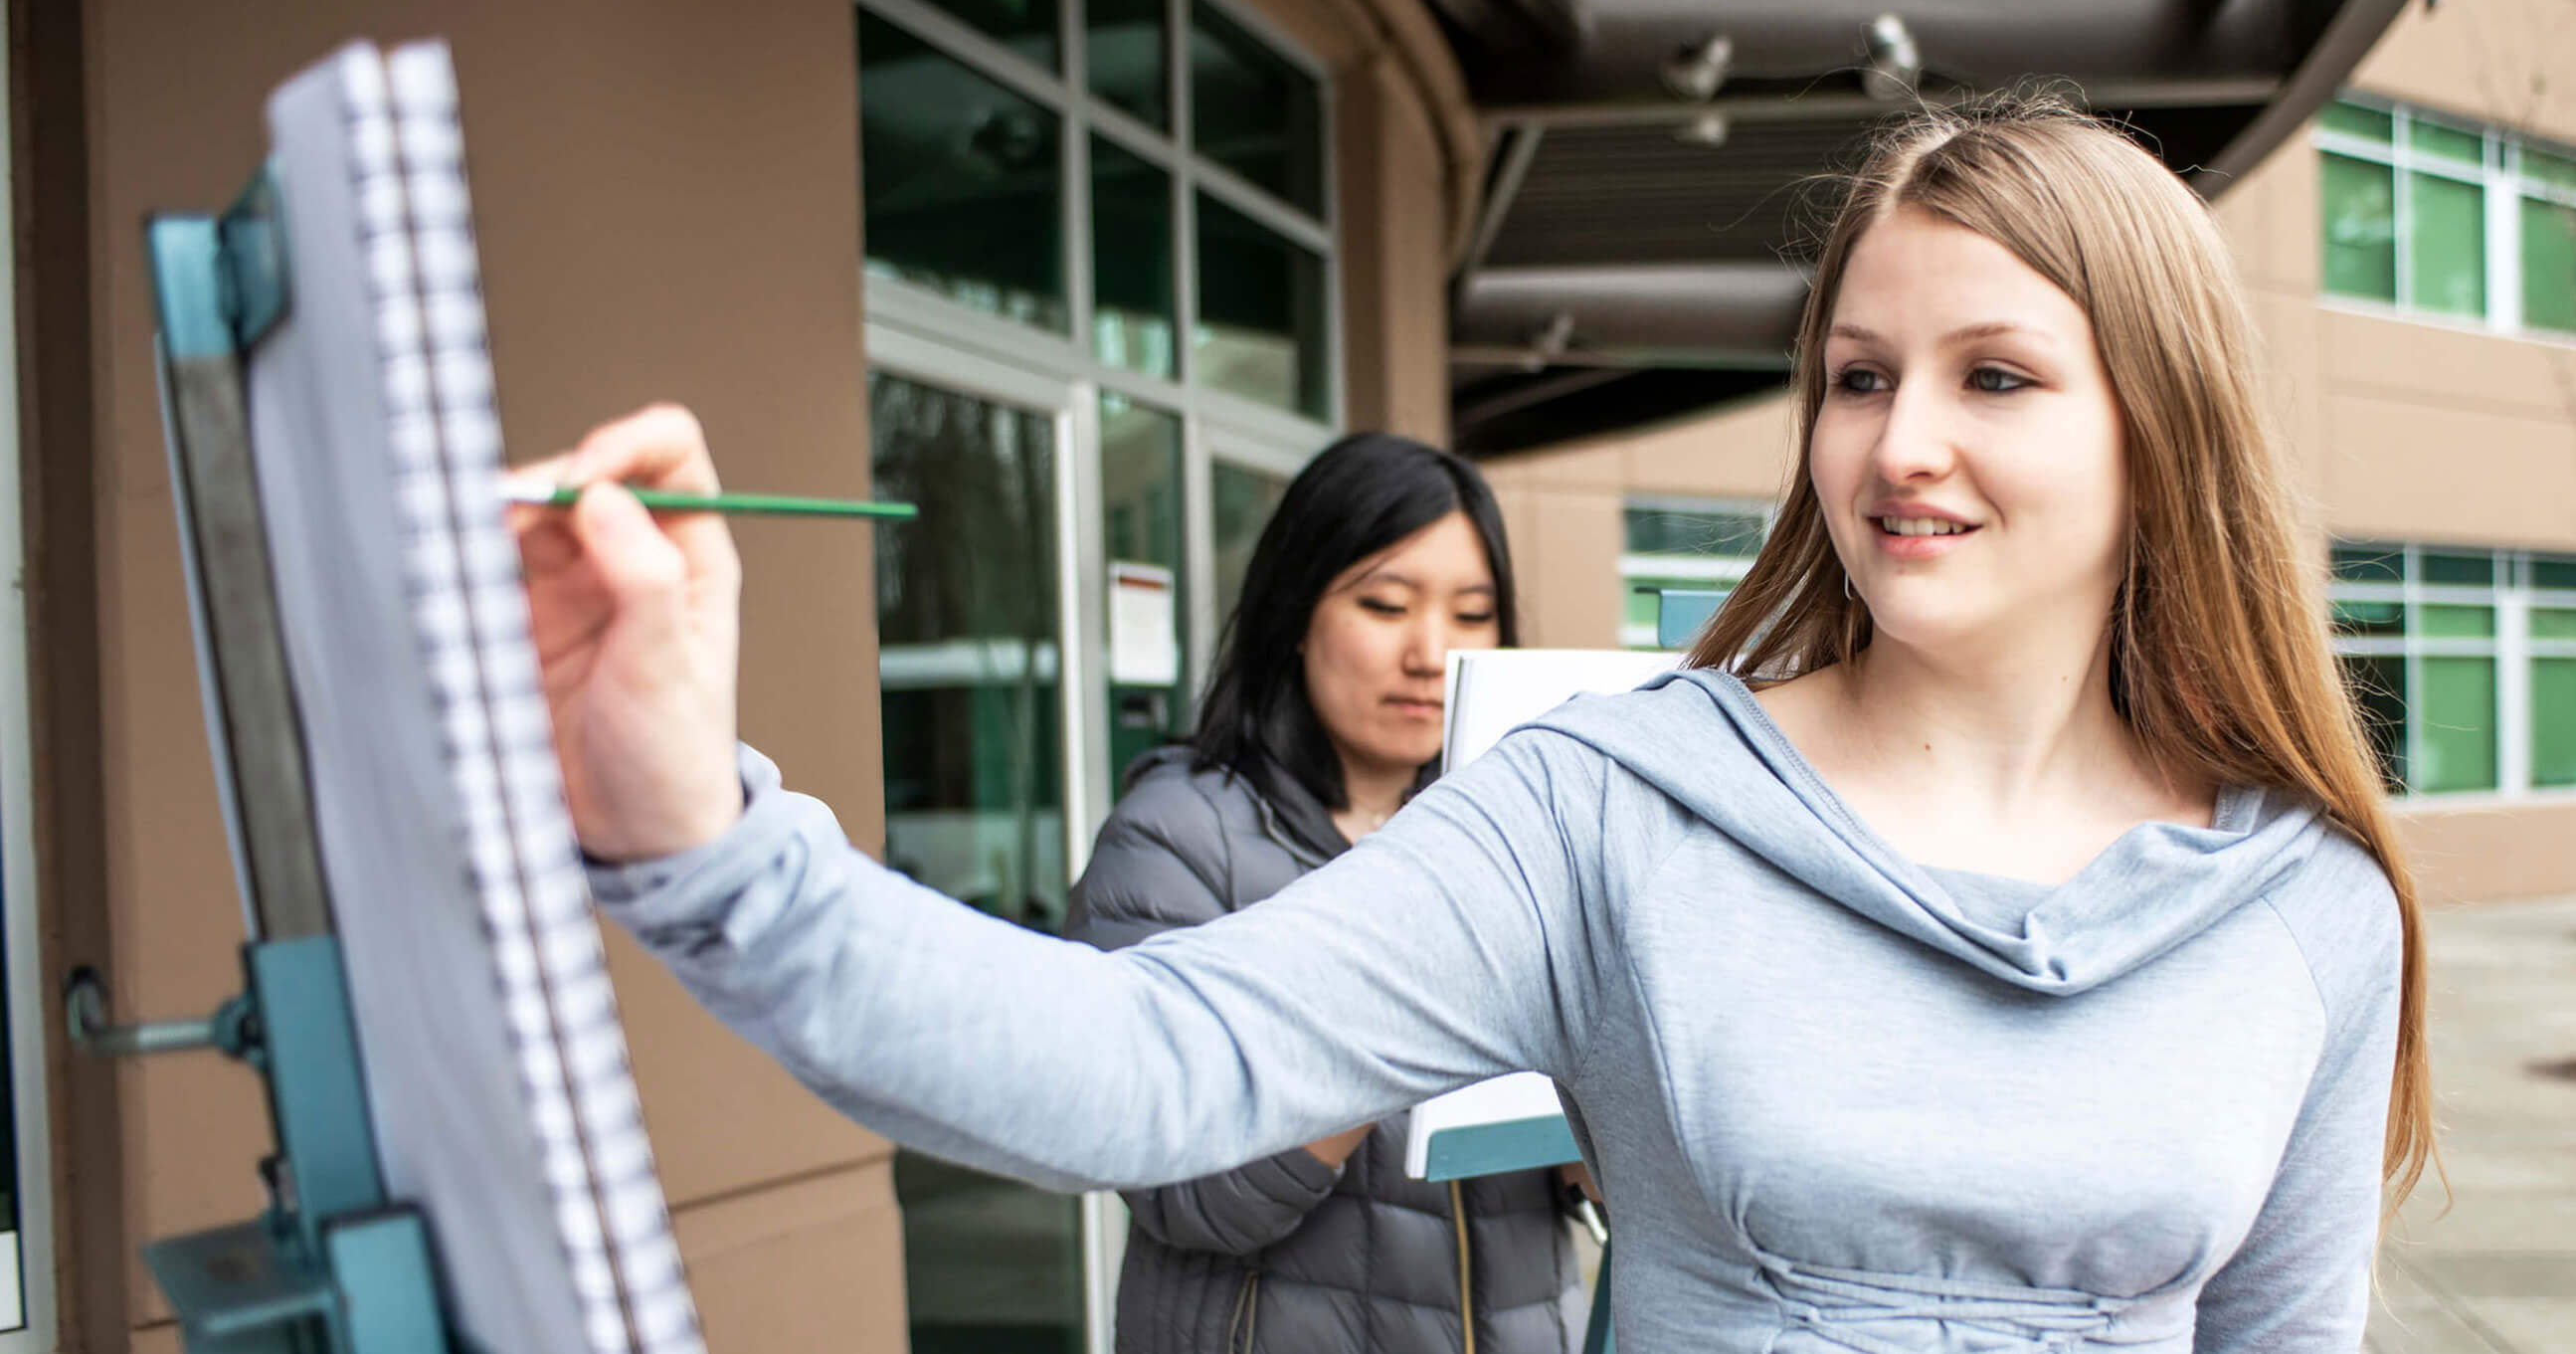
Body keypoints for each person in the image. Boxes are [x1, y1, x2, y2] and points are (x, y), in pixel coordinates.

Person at [513, 96, 2433, 1353]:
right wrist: (699, 830)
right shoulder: (1618, 811)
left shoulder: (2306, 904)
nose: (1895, 441)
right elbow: (1138, 1058)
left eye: (1993, 373)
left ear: (2155, 426)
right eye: (1858, 373)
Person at [1061, 432, 1583, 1354]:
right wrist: (1410, 1005)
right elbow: (1188, 1194)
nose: (1433, 653)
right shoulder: (1177, 844)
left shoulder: (1524, 838)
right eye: (1385, 604)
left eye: (1472, 613)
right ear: (1294, 612)